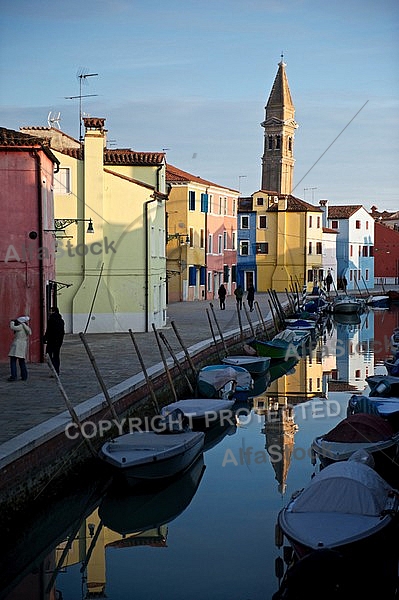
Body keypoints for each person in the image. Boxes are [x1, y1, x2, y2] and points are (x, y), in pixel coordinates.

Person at [8, 316, 32, 381]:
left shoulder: (20, 327)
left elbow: (12, 327)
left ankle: (14, 376)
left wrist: (12, 322)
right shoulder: (27, 328)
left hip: (17, 345)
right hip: (23, 345)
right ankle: (24, 376)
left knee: (13, 361)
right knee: (21, 361)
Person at [43, 307, 65, 375]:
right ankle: (56, 370)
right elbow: (62, 332)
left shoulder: (51, 320)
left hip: (51, 341)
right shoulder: (61, 320)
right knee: (56, 355)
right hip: (59, 341)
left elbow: (49, 330)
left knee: (48, 355)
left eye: (50, 311)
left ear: (53, 311)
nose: (49, 312)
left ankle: (53, 369)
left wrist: (45, 338)